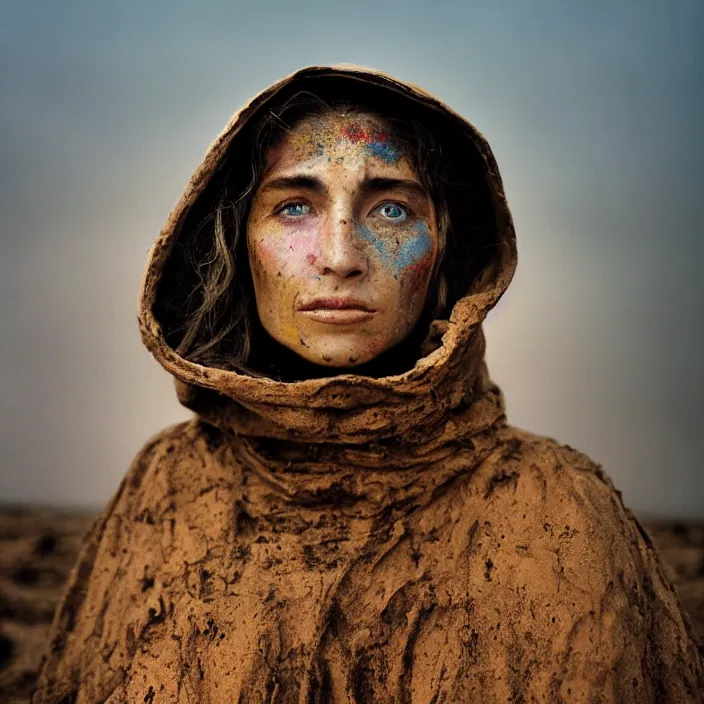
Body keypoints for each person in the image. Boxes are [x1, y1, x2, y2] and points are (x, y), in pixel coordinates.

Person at [32, 64, 703, 703]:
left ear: (446, 247)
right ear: (238, 242)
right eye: (294, 206)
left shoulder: (561, 511)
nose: (340, 257)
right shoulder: (165, 489)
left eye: (391, 211)